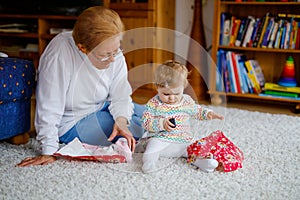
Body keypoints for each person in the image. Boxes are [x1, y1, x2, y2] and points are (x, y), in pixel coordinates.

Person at [17, 6, 145, 167]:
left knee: (156, 112)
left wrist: (121, 120)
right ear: (82, 48)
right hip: (73, 121)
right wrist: (49, 150)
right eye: (105, 55)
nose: (113, 59)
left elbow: (120, 95)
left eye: (116, 51)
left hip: (101, 105)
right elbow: (49, 107)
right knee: (139, 131)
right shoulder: (59, 54)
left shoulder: (112, 49)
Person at [139, 60, 224, 173]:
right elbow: (145, 121)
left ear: (183, 87)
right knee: (151, 149)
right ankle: (149, 164)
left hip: (183, 140)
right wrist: (161, 123)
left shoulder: (186, 101)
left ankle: (204, 163)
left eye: (176, 94)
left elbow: (196, 111)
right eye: (166, 94)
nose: (172, 98)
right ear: (157, 87)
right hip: (161, 140)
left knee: (195, 147)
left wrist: (209, 113)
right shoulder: (154, 103)